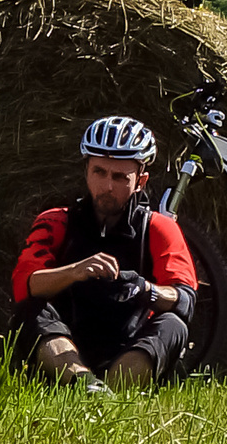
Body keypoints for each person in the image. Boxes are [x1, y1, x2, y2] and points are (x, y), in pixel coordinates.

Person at [11, 115, 198, 390]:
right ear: (86, 170)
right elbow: (24, 286)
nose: (108, 186)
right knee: (30, 310)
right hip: (65, 347)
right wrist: (75, 272)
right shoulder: (56, 221)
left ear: (141, 180)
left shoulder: (159, 228)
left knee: (174, 325)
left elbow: (185, 299)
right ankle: (87, 388)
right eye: (100, 172)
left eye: (120, 177)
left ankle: (114, 391)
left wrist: (147, 290)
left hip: (129, 350)